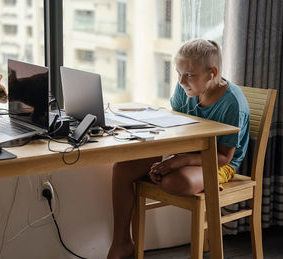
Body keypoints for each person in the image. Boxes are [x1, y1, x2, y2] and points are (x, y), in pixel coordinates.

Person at [107, 39, 250, 259]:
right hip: (184, 151)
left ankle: (172, 170)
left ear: (212, 73)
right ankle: (122, 243)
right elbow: (175, 124)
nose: (181, 81)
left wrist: (177, 162)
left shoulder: (232, 103)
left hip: (220, 163)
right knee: (122, 169)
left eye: (189, 75)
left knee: (174, 181)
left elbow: (223, 156)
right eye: (178, 73)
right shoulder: (186, 87)